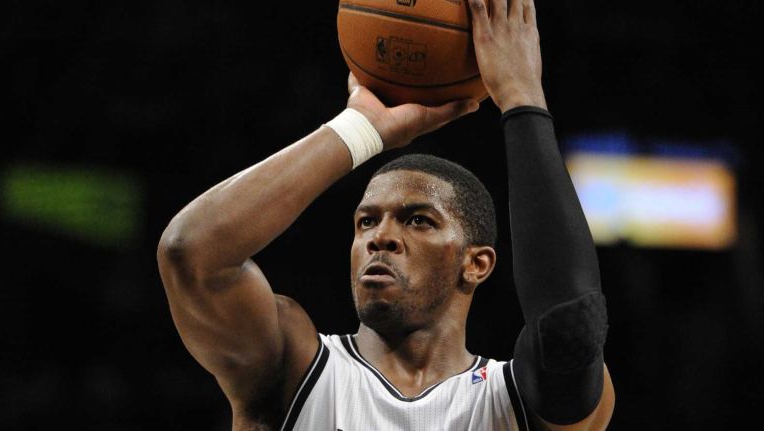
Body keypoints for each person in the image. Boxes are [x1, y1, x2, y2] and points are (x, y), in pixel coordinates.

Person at [157, 0, 615, 429]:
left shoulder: (509, 400)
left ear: (476, 264)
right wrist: (358, 130)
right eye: (366, 221)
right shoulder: (293, 367)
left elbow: (570, 323)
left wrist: (521, 97)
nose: (381, 237)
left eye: (419, 220)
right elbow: (192, 253)